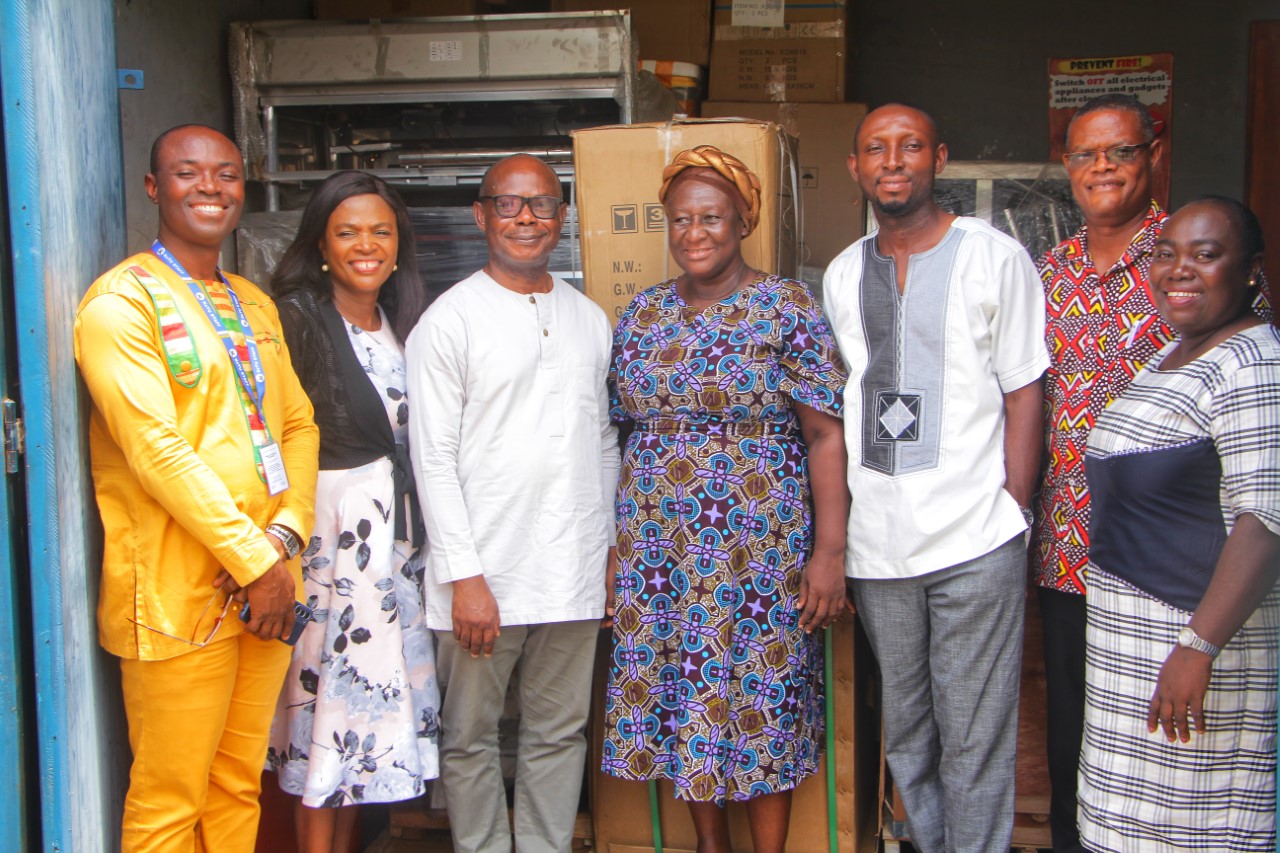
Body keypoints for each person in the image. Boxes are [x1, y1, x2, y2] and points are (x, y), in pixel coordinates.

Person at [1034, 94, 1272, 853]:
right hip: (1072, 547)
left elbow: (1260, 498)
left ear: (1154, 156)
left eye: (1122, 151)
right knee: (1085, 733)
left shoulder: (1192, 272)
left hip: (1182, 575)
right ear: (1065, 167)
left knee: (1184, 766)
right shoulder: (1048, 271)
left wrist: (1200, 640)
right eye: (1085, 155)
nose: (1102, 167)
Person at [73, 124, 319, 852]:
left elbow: (299, 424)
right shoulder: (121, 305)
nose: (210, 186)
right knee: (169, 802)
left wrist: (283, 539)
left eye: (226, 174)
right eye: (188, 173)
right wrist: (256, 562)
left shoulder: (251, 302)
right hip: (181, 595)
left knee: (237, 783)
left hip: (267, 586)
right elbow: (156, 450)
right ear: (154, 188)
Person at [600, 145, 850, 852]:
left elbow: (825, 436)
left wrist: (830, 550)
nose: (694, 233)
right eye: (679, 219)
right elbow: (617, 438)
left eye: (710, 217)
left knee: (761, 689)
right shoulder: (642, 315)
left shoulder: (785, 306)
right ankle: (710, 843)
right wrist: (619, 547)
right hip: (659, 545)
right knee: (681, 684)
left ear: (743, 219)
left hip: (759, 538)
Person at [823, 104, 1048, 852]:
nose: (893, 160)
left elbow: (1023, 388)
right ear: (856, 168)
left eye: (910, 145)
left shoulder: (994, 256)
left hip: (975, 539)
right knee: (910, 733)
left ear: (938, 158)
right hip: (880, 548)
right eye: (876, 149)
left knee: (974, 733)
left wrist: (1012, 510)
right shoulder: (843, 271)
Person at [406, 153, 619, 853]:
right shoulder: (448, 321)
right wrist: (464, 575)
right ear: (480, 215)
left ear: (562, 220)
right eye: (508, 203)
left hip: (573, 574)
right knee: (469, 739)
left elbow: (604, 442)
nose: (524, 218)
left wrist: (610, 551)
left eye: (540, 205)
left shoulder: (589, 319)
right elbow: (431, 458)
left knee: (559, 734)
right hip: (483, 577)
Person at [1077, 197, 1280, 852]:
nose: (1179, 269)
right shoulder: (1174, 352)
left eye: (1206, 253)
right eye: (1167, 253)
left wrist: (1199, 646)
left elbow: (1266, 519)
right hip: (1129, 660)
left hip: (1192, 656)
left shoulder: (1253, 366)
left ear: (1251, 270)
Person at [265, 171, 439, 853]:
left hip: (391, 552)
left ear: (398, 246)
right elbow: (275, 435)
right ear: (322, 244)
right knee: (327, 719)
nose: (365, 245)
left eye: (380, 231)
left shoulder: (398, 320)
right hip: (333, 546)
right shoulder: (300, 316)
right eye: (347, 232)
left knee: (359, 735)